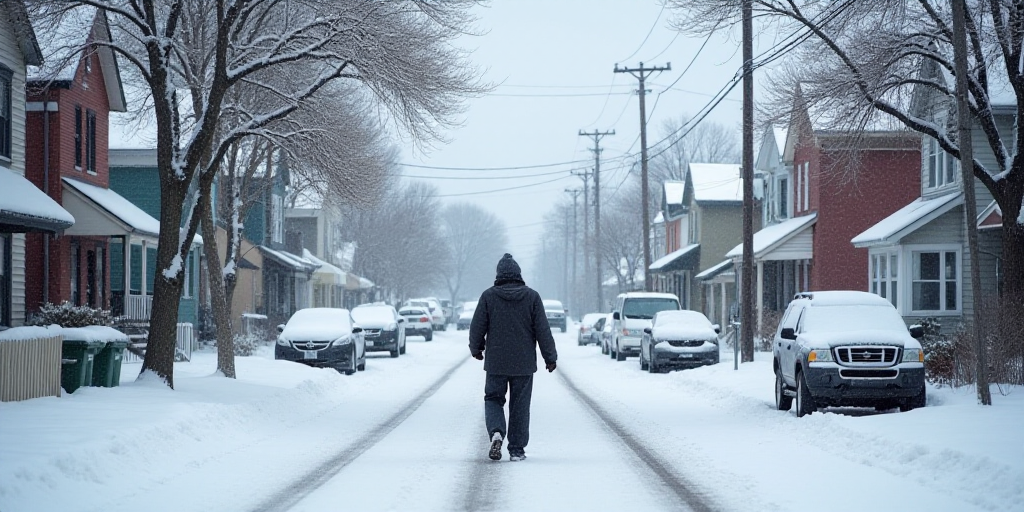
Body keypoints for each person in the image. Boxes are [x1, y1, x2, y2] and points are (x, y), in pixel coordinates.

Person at [469, 253, 557, 462]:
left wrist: (477, 348)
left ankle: (497, 432)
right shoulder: (532, 297)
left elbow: (477, 326)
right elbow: (542, 330)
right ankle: (516, 449)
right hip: (524, 363)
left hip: (496, 362)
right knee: (520, 405)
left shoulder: (488, 296)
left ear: (499, 275)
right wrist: (550, 357)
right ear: (518, 274)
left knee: (493, 399)